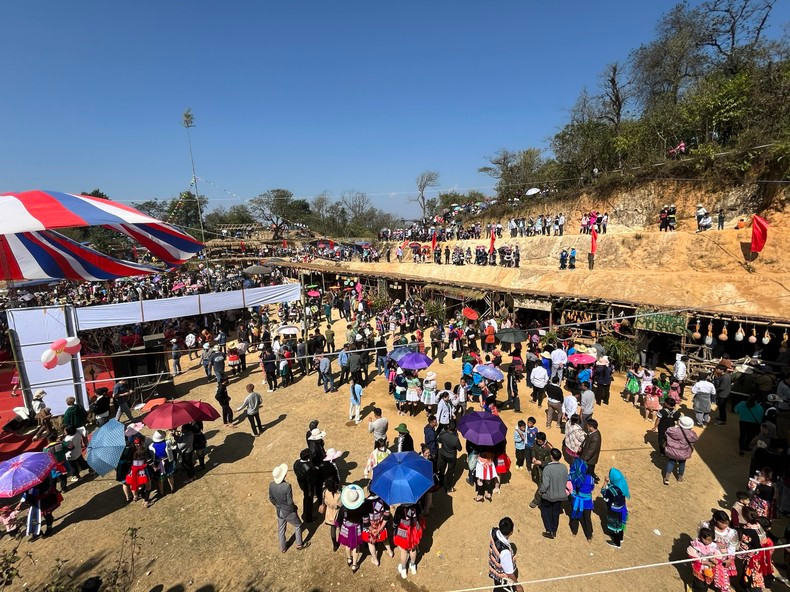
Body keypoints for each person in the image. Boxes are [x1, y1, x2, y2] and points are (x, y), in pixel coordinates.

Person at [269, 463, 309, 552]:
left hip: (279, 511)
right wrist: (294, 508)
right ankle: (299, 544)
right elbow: (290, 502)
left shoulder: (271, 485)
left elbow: (271, 498)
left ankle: (283, 548)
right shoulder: (287, 486)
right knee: (298, 525)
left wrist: (277, 505)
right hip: (288, 511)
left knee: (281, 530)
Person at [487, 517, 525, 592]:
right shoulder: (505, 552)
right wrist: (518, 586)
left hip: (494, 567)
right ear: (511, 533)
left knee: (497, 586)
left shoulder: (493, 531)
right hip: (502, 576)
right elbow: (509, 573)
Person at [538, 448, 568, 539]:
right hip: (560, 496)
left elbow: (545, 484)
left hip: (549, 496)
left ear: (551, 457)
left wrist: (541, 491)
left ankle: (549, 530)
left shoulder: (547, 468)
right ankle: (554, 530)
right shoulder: (564, 467)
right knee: (555, 513)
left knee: (545, 511)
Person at [362, 487, 394, 566]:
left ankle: (375, 560)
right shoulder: (383, 499)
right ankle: (390, 552)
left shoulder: (365, 503)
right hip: (380, 523)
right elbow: (387, 515)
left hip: (370, 526)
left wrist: (372, 529)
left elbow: (365, 521)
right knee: (385, 538)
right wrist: (380, 527)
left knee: (371, 542)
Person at [337, 484, 365, 573]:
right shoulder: (360, 508)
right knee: (356, 547)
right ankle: (354, 565)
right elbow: (363, 519)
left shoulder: (343, 508)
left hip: (346, 529)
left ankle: (349, 559)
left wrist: (338, 527)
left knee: (347, 545)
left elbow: (339, 520)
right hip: (356, 529)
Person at [393, 501, 424, 579]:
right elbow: (420, 515)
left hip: (403, 532)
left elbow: (395, 523)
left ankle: (403, 569)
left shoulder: (399, 509)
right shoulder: (416, 505)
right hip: (414, 531)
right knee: (413, 548)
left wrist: (394, 531)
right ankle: (413, 566)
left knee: (404, 551)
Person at [664, 415, 698, 485]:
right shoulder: (691, 434)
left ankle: (667, 478)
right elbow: (695, 439)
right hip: (684, 452)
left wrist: (676, 426)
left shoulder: (673, 430)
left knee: (671, 462)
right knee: (682, 464)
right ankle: (680, 479)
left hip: (672, 451)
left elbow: (667, 431)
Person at [601, 468, 630, 548]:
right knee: (620, 524)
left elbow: (603, 493)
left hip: (614, 510)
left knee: (615, 526)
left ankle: (617, 543)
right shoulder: (622, 483)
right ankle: (621, 538)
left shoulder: (612, 489)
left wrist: (605, 483)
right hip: (622, 507)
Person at [568, 458, 595, 542]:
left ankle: (574, 531)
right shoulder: (590, 478)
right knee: (587, 518)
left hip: (577, 500)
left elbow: (571, 487)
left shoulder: (573, 477)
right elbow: (592, 488)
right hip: (587, 502)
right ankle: (589, 535)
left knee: (575, 516)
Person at [437, 420, 462, 493]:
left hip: (443, 454)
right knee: (450, 472)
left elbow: (439, 441)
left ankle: (440, 483)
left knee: (442, 469)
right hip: (451, 457)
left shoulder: (443, 434)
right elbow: (460, 449)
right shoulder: (455, 438)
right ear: (455, 428)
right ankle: (448, 488)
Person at [149, 430, 175, 499]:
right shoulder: (167, 442)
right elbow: (173, 447)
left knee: (160, 478)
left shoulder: (151, 446)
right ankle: (172, 488)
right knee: (170, 475)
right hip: (167, 461)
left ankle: (161, 492)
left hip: (157, 463)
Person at [293, 449, 316, 523]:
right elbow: (312, 478)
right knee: (309, 501)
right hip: (308, 487)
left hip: (301, 484)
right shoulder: (309, 467)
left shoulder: (296, 463)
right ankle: (309, 518)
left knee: (306, 498)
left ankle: (305, 511)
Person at [321, 476, 342, 552]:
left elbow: (324, 501)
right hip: (337, 513)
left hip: (329, 512)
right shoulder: (338, 495)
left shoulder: (325, 492)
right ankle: (340, 539)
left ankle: (335, 544)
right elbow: (340, 504)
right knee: (339, 527)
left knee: (332, 528)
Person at [578, 419, 601, 483]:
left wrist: (584, 460)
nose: (586, 427)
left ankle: (593, 480)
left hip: (590, 460)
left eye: (588, 426)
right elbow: (585, 440)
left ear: (591, 427)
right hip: (585, 455)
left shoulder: (595, 438)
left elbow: (591, 451)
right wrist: (581, 446)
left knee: (589, 471)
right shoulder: (591, 432)